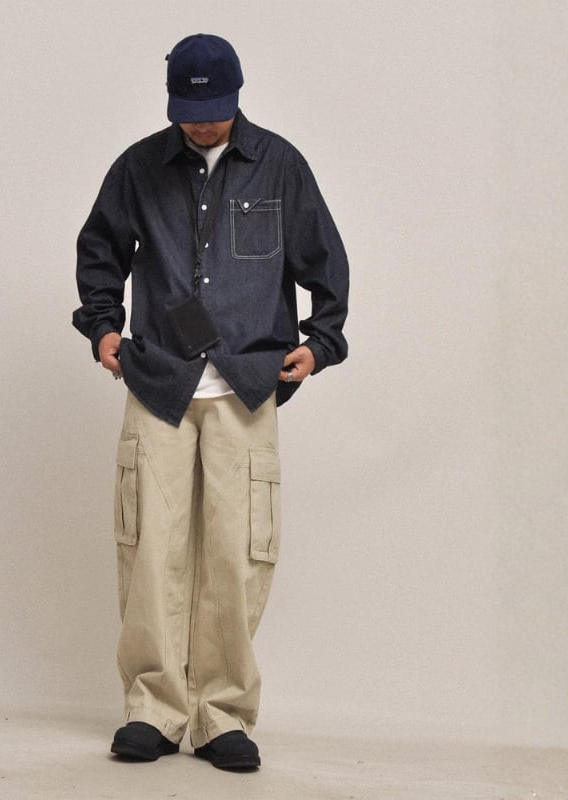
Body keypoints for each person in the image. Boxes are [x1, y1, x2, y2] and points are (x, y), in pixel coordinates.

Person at [73, 33, 348, 771]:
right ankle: (153, 710)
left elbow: (325, 259)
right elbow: (99, 250)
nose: (201, 123)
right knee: (150, 547)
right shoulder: (138, 167)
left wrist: (321, 342)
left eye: (214, 110)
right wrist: (102, 327)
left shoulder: (280, 165)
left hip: (248, 384)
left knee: (237, 552)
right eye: (188, 111)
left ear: (237, 95)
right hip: (158, 380)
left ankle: (222, 714)